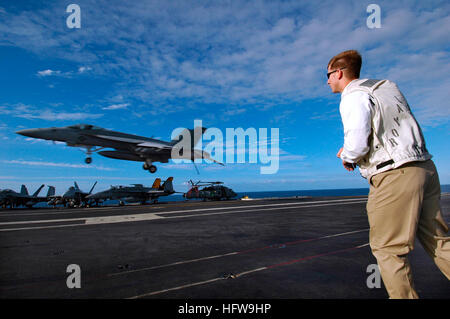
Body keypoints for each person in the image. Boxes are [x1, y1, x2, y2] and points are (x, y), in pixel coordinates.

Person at [327, 49, 450, 299]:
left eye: (328, 75)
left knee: (388, 250)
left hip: (394, 174)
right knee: (439, 241)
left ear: (338, 72)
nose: (328, 81)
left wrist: (347, 156)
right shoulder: (387, 88)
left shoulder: (353, 96)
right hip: (425, 167)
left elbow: (358, 143)